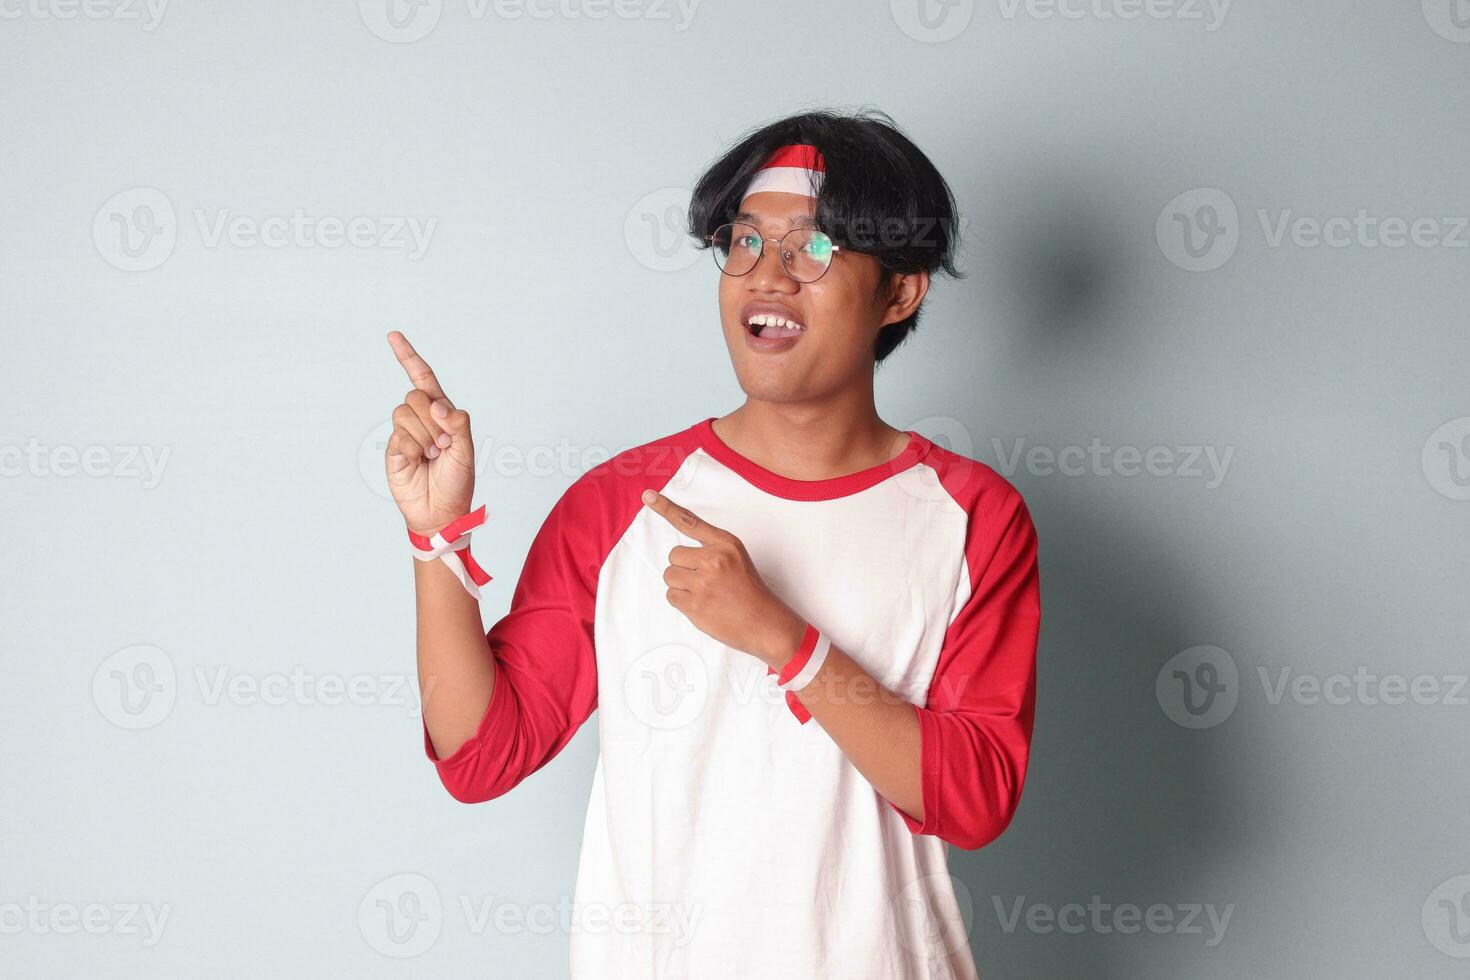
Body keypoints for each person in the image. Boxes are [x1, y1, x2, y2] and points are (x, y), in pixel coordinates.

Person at [383, 108, 1041, 979]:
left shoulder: (972, 518)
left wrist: (788, 642)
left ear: (899, 290)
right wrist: (436, 537)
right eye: (743, 244)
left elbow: (976, 796)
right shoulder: (623, 504)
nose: (767, 276)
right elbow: (481, 754)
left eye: (811, 250)